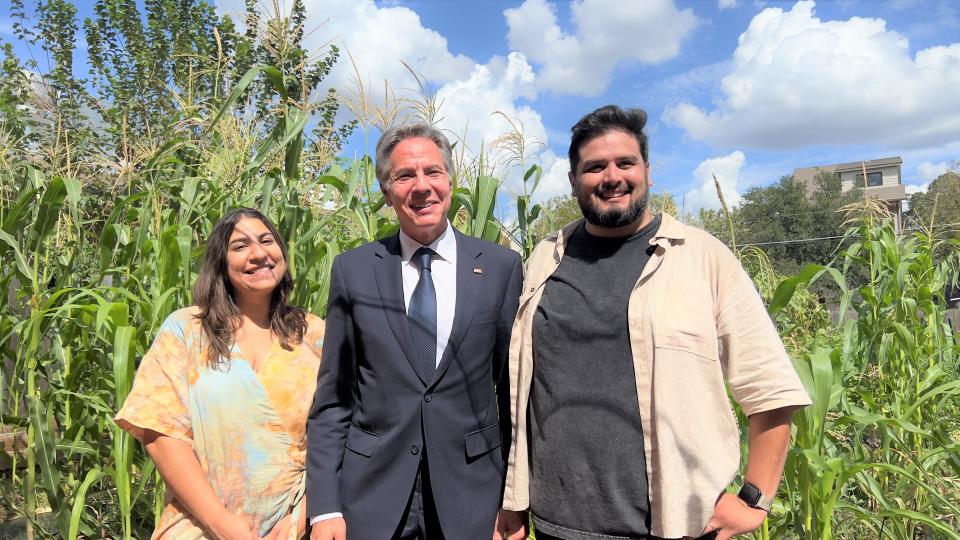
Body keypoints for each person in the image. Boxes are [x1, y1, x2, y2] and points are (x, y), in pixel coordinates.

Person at [496, 105, 812, 540]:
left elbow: (770, 388)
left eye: (625, 163)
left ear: (646, 171)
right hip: (557, 525)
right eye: (594, 167)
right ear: (573, 181)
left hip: (679, 524)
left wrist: (754, 499)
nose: (612, 177)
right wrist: (514, 501)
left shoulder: (702, 257)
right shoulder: (544, 259)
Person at [306, 124, 523, 540]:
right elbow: (334, 399)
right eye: (405, 176)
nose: (421, 187)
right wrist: (325, 508)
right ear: (387, 193)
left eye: (433, 172)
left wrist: (512, 498)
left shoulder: (500, 268)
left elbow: (511, 395)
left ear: (451, 181)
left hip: (473, 495)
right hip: (373, 494)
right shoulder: (353, 271)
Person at [116, 208, 324, 540]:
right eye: (240, 246)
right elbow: (161, 432)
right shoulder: (186, 330)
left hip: (294, 525)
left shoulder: (314, 334)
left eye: (267, 240)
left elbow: (339, 433)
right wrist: (222, 525)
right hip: (201, 526)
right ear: (221, 264)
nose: (259, 253)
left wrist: (303, 517)